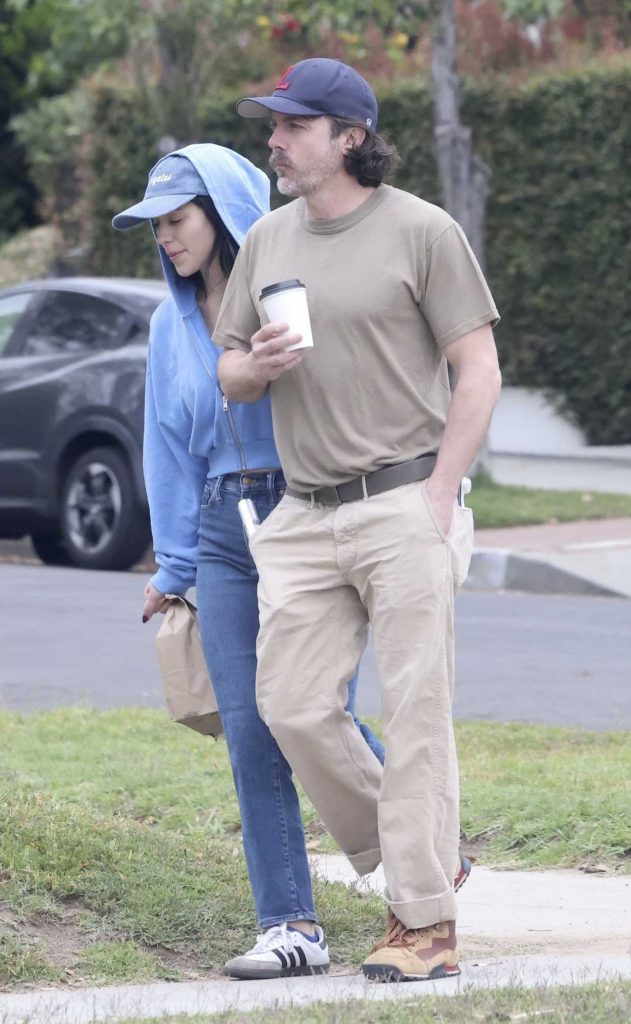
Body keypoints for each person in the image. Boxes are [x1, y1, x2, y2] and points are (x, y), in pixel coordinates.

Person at [215, 58, 501, 983]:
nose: (274, 140)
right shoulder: (264, 239)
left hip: (404, 498)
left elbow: (479, 369)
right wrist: (254, 366)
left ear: (348, 137)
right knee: (291, 705)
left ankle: (424, 926)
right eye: (272, 125)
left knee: (415, 710)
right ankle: (426, 853)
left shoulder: (423, 230)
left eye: (292, 126)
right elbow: (226, 371)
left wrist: (438, 492)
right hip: (303, 510)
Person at [111, 142, 386, 980]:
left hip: (306, 506)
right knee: (248, 727)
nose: (166, 238)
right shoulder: (167, 324)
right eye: (156, 225)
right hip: (221, 526)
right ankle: (291, 926)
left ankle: (419, 843)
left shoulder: (285, 295)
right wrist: (174, 564)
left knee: (310, 713)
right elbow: (168, 446)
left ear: (225, 213)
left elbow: (346, 390)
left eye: (179, 219)